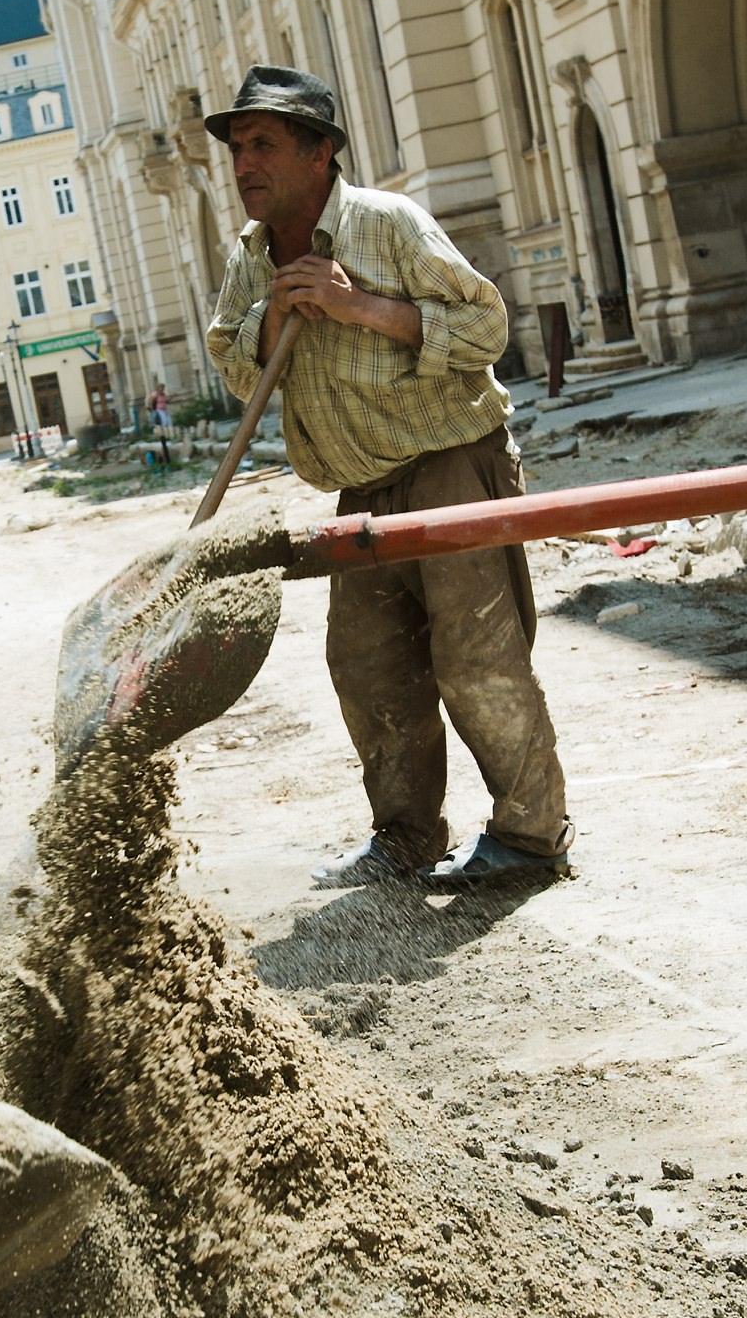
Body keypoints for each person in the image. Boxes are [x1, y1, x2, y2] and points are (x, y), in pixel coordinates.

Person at [203, 65, 573, 895]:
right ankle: (405, 838)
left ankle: (530, 835)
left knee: (478, 660)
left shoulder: (387, 225)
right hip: (360, 491)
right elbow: (230, 358)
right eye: (236, 148)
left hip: (450, 466)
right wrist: (268, 323)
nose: (243, 164)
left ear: (320, 152)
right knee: (368, 666)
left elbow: (486, 326)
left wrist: (360, 305)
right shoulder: (252, 259)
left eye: (263, 144)